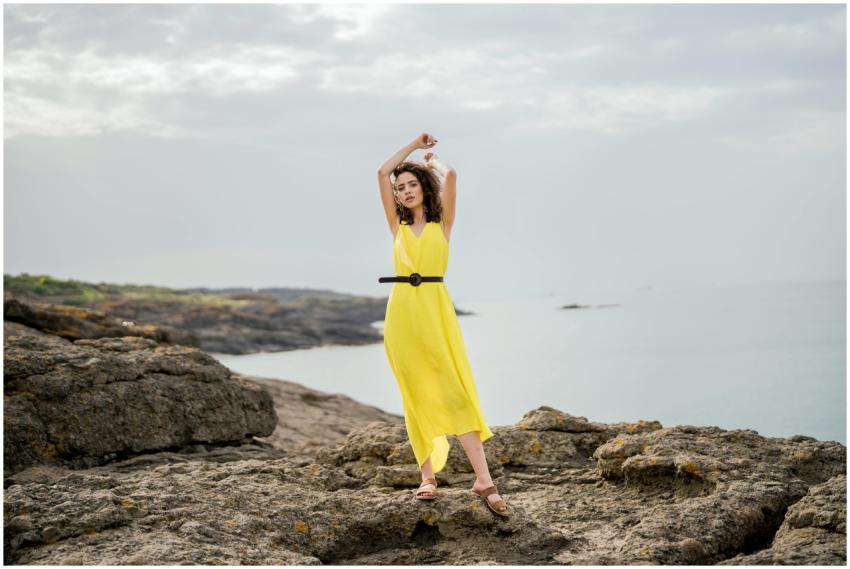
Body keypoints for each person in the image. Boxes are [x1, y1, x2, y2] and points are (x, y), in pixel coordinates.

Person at [376, 133, 510, 517]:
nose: (405, 191)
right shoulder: (396, 225)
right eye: (400, 188)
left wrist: (431, 162)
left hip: (435, 310)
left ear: (423, 187)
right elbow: (382, 172)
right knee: (414, 392)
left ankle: (484, 479)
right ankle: (427, 476)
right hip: (402, 314)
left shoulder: (443, 223)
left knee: (455, 390)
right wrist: (412, 145)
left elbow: (451, 176)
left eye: (411, 184)